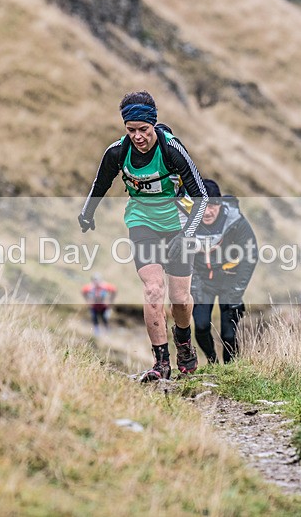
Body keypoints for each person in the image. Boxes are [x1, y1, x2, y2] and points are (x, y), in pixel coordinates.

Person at [78, 91, 208, 382]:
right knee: (152, 290)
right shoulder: (117, 152)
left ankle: (183, 342)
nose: (137, 136)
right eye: (131, 130)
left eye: (143, 130)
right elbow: (100, 183)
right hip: (142, 222)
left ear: (153, 125)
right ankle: (161, 362)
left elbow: (202, 196)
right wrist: (87, 213)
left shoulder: (172, 149)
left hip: (178, 222)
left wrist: (186, 235)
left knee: (180, 299)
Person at [189, 179, 257, 364]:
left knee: (229, 335)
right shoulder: (186, 221)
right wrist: (193, 283)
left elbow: (250, 255)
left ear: (220, 203)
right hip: (203, 281)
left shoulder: (236, 221)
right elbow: (178, 256)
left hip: (230, 280)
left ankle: (230, 367)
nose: (208, 211)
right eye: (203, 206)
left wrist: (237, 291)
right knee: (201, 327)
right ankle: (212, 363)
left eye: (213, 205)